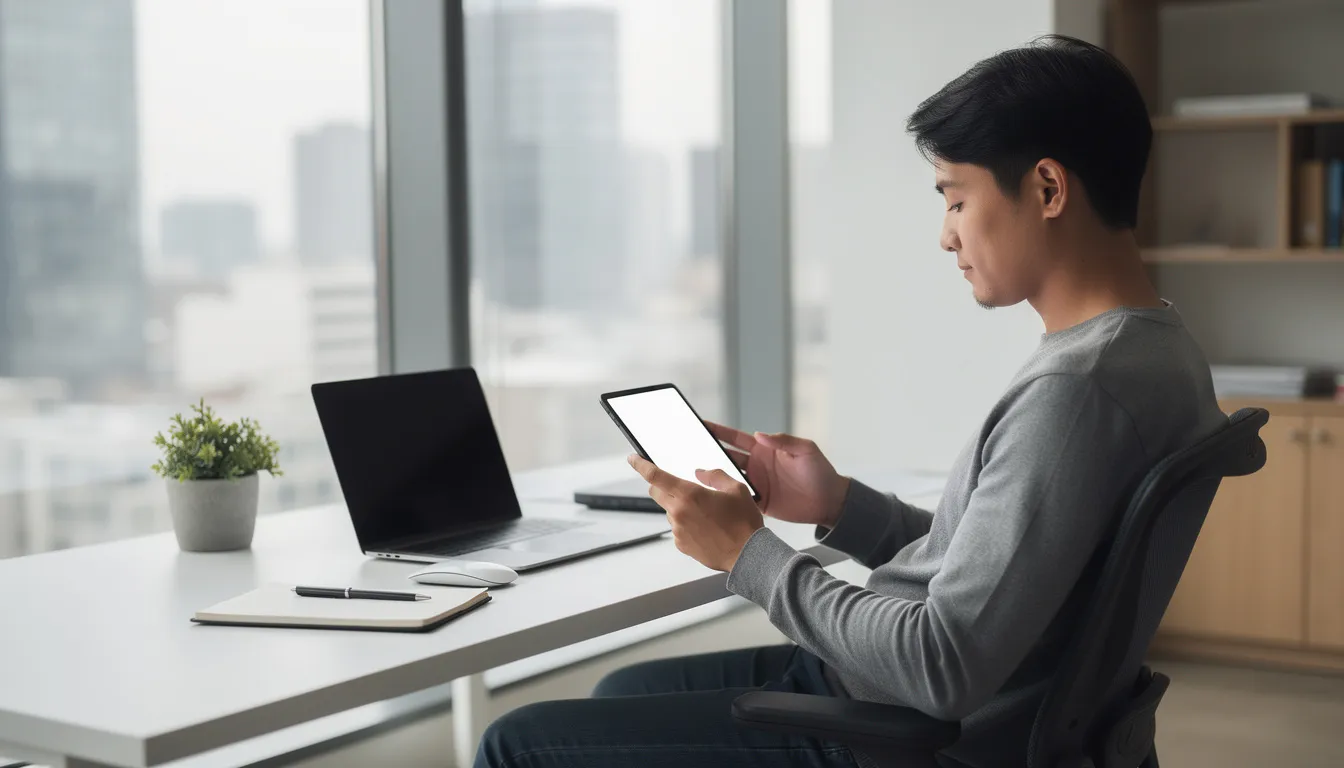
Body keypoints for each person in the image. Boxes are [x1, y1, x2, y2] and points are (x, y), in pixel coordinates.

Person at [474, 34, 1224, 768]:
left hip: (905, 727)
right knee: (617, 691)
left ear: (1048, 189)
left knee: (517, 742)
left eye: (956, 199)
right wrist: (839, 504)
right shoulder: (1155, 348)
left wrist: (747, 554)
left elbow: (945, 665)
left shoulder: (1074, 393)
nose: (946, 236)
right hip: (909, 695)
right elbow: (1012, 569)